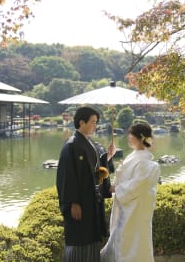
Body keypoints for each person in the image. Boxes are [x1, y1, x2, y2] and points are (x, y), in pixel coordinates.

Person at [56, 106, 115, 262]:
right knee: (79, 241)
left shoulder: (90, 144)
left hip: (91, 202)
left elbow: (95, 171)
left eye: (96, 122)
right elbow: (66, 176)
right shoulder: (71, 145)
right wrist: (72, 202)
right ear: (82, 122)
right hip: (80, 203)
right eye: (93, 122)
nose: (95, 126)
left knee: (91, 240)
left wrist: (107, 157)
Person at [100, 123, 161, 262]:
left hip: (137, 208)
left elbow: (138, 184)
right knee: (125, 241)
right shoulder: (134, 156)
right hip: (127, 206)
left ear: (140, 138)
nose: (128, 137)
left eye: (131, 135)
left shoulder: (147, 162)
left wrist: (116, 188)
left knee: (135, 243)